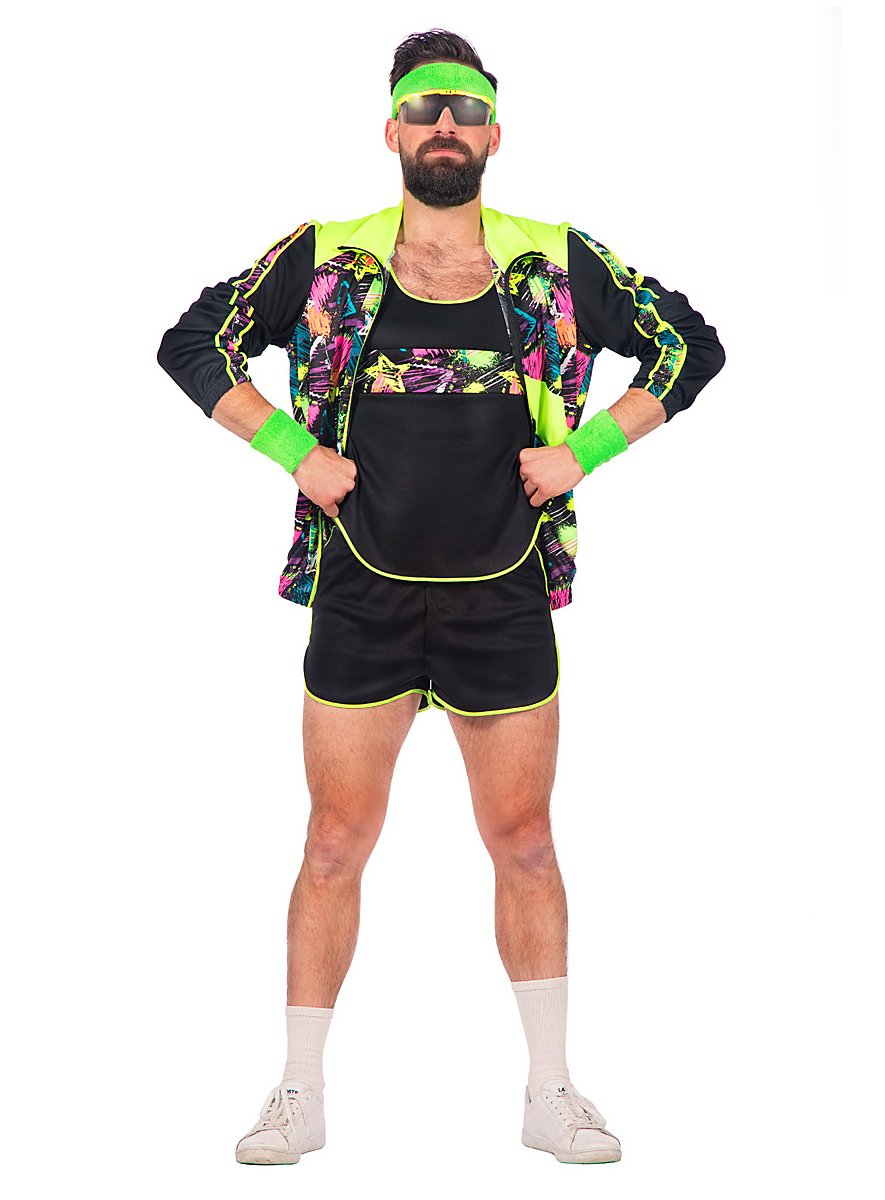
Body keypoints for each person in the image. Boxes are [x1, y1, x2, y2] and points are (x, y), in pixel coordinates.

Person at [156, 28, 726, 1167]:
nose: (445, 127)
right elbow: (192, 341)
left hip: (501, 594)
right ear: (393, 131)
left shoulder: (555, 260)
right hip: (359, 592)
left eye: (464, 109)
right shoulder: (324, 255)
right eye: (426, 109)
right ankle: (299, 1092)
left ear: (495, 134)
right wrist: (293, 452)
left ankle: (551, 1092)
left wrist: (585, 453)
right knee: (332, 841)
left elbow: (690, 348)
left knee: (525, 843)